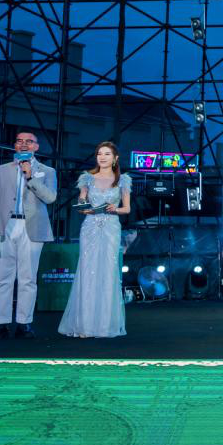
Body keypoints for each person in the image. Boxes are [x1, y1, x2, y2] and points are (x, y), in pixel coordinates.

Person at [0, 131, 57, 339]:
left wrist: (30, 176)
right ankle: (0, 323)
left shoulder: (47, 171)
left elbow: (50, 197)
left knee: (28, 278)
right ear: (15, 145)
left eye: (29, 141)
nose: (24, 144)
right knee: (2, 277)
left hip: (32, 227)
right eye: (19, 141)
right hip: (4, 226)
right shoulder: (1, 170)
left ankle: (24, 323)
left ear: (36, 147)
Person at [59, 141, 132, 338]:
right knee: (87, 271)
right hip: (90, 226)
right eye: (100, 153)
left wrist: (115, 209)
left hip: (111, 227)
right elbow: (81, 203)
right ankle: (85, 325)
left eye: (107, 154)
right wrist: (83, 206)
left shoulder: (122, 180)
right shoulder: (87, 178)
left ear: (115, 158)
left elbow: (127, 208)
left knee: (108, 271)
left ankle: (104, 325)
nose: (102, 157)